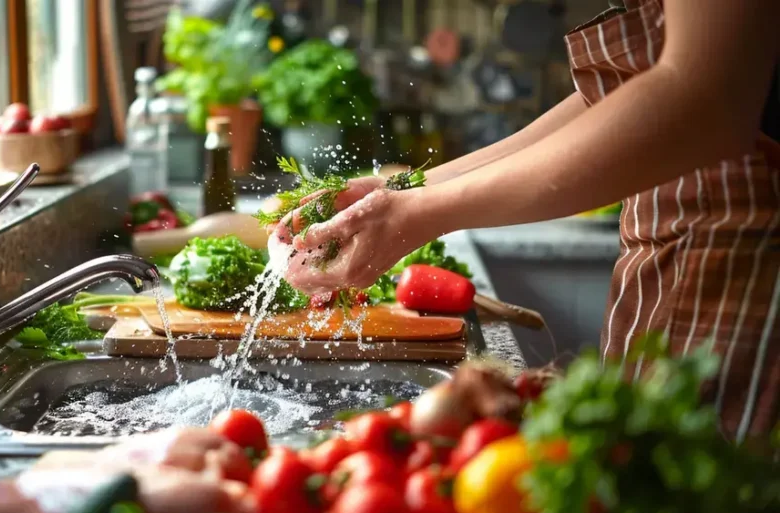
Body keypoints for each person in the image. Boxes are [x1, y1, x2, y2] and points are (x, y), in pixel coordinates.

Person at [268, 0, 780, 443]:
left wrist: (425, 211)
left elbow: (705, 97)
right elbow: (623, 94)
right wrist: (404, 191)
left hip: (747, 268)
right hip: (676, 261)